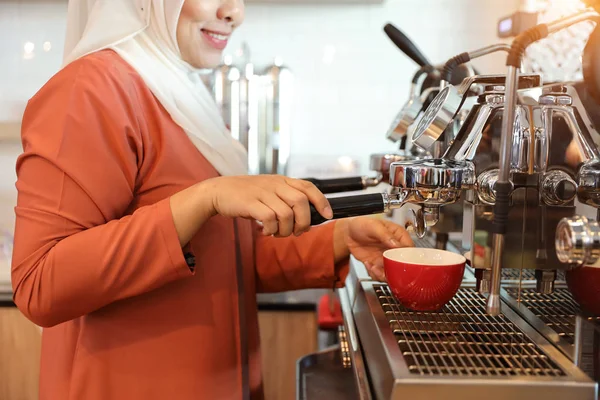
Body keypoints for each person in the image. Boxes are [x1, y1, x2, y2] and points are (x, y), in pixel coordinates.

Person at [11, 1, 413, 399]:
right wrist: (204, 197)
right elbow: (40, 284)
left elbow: (222, 257)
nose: (235, 12)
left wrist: (340, 238)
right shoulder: (89, 90)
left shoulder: (178, 90)